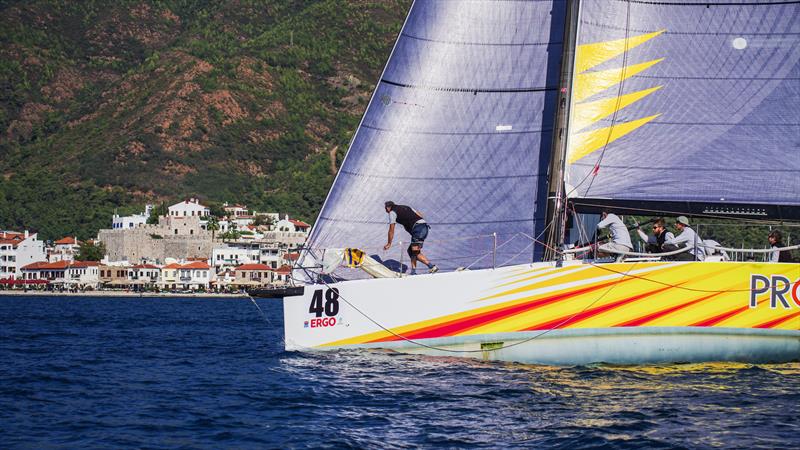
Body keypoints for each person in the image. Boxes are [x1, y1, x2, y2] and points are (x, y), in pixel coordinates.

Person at [383, 201, 438, 274]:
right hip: (424, 227)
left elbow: (391, 230)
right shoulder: (406, 207)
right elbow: (419, 215)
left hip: (418, 229)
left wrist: (389, 243)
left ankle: (418, 271)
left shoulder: (392, 212)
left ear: (388, 207)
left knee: (414, 251)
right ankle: (426, 268)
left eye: (385, 208)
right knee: (412, 251)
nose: (385, 211)